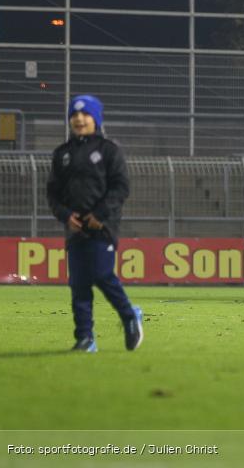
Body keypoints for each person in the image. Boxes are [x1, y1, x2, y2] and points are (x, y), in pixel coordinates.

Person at [46, 95, 143, 353]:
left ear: (96, 119)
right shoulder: (62, 154)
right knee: (78, 285)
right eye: (74, 115)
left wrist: (99, 214)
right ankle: (85, 338)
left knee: (101, 275)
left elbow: (121, 187)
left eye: (85, 114)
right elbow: (53, 194)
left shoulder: (109, 150)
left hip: (103, 227)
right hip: (75, 230)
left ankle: (129, 315)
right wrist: (66, 216)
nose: (79, 119)